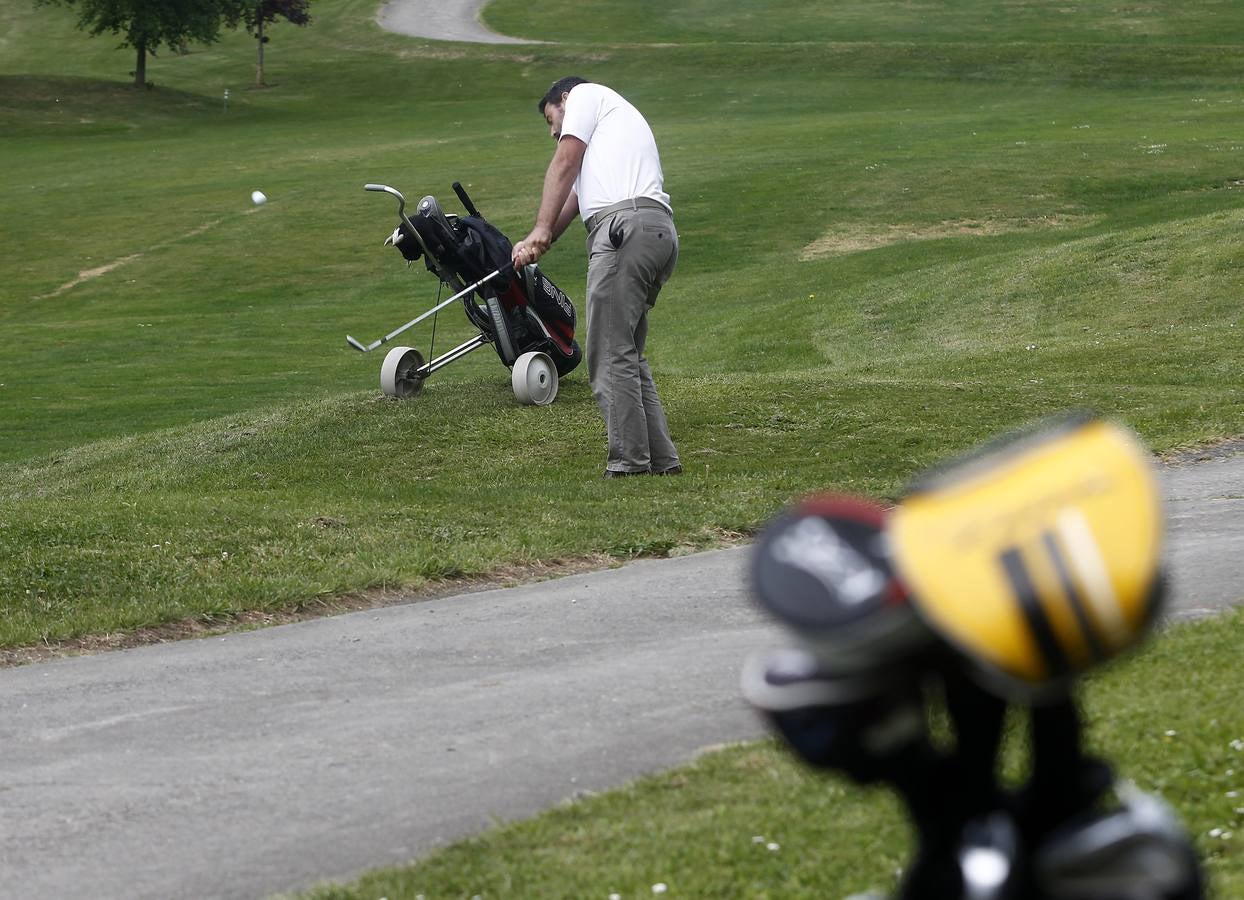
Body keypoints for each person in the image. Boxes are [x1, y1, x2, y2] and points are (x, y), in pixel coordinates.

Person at [512, 76, 682, 478]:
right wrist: (543, 236)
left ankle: (628, 466)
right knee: (627, 354)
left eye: (552, 120)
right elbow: (574, 196)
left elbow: (565, 164)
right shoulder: (612, 126)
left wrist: (539, 227)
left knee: (608, 354)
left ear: (565, 99)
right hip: (654, 230)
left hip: (624, 230)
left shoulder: (586, 95)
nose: (554, 131)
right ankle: (661, 462)